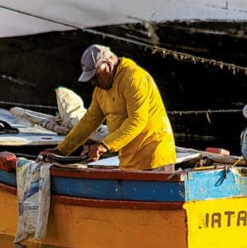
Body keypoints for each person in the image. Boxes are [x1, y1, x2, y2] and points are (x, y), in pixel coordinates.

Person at [40, 44, 176, 170]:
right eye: (91, 78)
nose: (94, 82)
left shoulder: (133, 78)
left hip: (155, 158)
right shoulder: (100, 91)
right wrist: (60, 151)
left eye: (96, 75)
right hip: (129, 161)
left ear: (109, 64)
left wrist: (103, 145)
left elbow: (137, 121)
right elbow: (87, 123)